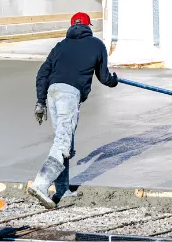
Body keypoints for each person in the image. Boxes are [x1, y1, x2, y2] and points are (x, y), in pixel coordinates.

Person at [28, 12, 118, 209]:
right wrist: (114, 79)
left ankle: (62, 190)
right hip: (69, 96)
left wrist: (40, 101)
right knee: (62, 142)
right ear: (88, 27)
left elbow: (43, 72)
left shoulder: (60, 46)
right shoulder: (97, 45)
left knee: (64, 140)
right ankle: (41, 185)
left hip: (52, 93)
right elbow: (104, 77)